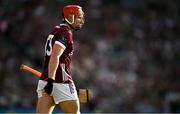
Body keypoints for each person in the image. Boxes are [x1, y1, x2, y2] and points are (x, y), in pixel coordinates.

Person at [36, 5, 85, 114]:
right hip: (60, 82)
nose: (81, 21)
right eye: (79, 17)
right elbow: (55, 56)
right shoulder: (66, 33)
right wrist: (51, 80)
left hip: (45, 81)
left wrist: (49, 80)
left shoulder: (56, 29)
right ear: (70, 17)